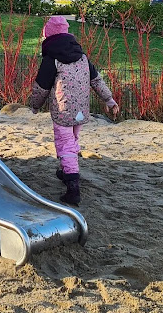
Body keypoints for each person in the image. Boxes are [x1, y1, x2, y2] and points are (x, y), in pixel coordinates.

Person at [29, 16, 119, 206]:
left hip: (63, 111)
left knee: (64, 144)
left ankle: (72, 187)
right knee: (72, 141)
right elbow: (96, 80)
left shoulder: (52, 59)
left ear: (48, 35)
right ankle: (67, 170)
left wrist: (35, 105)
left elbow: (41, 87)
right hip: (81, 111)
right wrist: (109, 100)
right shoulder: (83, 57)